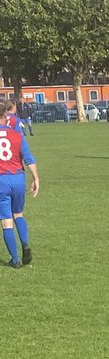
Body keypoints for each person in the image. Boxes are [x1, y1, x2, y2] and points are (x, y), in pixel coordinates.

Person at [0, 112, 39, 267]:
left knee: (6, 220)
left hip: (1, 180)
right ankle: (25, 244)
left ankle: (15, 260)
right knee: (18, 213)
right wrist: (36, 178)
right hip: (18, 178)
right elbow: (28, 158)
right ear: (5, 117)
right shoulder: (16, 134)